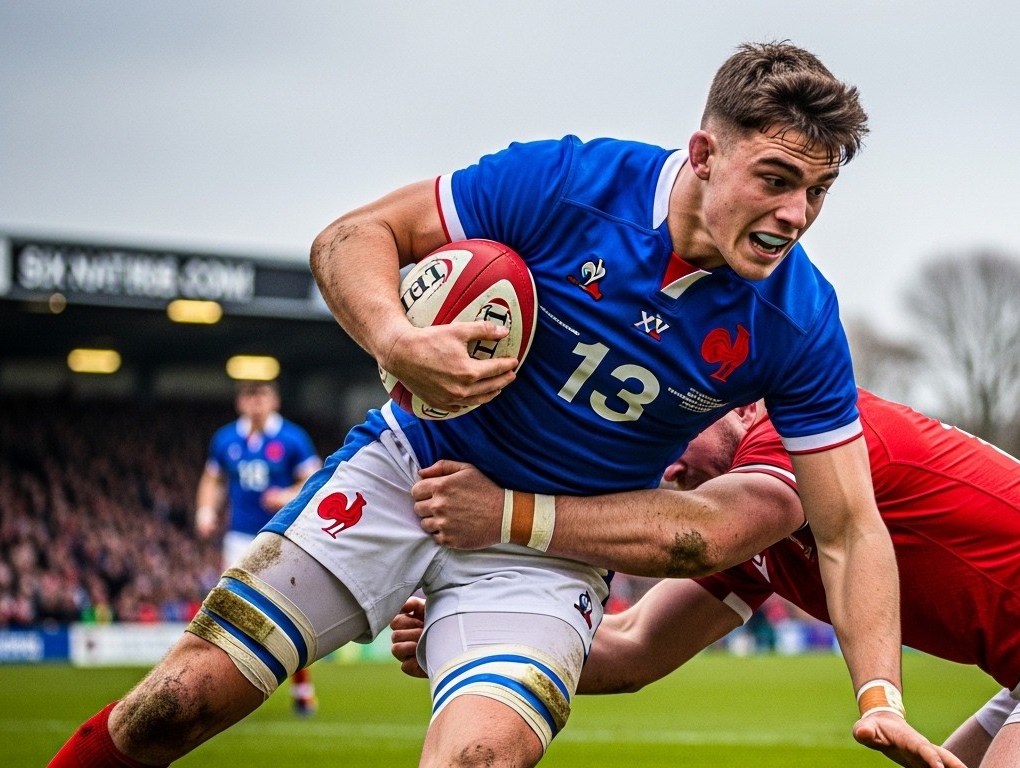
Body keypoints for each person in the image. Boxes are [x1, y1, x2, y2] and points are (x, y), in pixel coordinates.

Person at [50, 41, 936, 768]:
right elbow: (354, 237)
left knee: (479, 763)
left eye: (817, 191)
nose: (797, 214)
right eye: (777, 178)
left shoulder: (797, 317)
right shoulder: (566, 183)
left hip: (548, 554)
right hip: (406, 471)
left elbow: (849, 527)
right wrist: (398, 339)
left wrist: (880, 697)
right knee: (173, 705)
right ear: (704, 155)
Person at [399, 390, 1020, 768]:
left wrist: (507, 514)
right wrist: (479, 649)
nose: (661, 475)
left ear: (726, 404)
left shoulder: (797, 446)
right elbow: (632, 645)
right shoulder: (741, 506)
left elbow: (697, 534)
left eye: (663, 448)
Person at [195, 379, 324, 716]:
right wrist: (206, 510)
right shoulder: (225, 439)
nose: (256, 402)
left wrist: (286, 494)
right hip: (239, 535)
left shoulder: (292, 438)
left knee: (288, 608)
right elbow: (213, 478)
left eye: (262, 395)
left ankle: (302, 688)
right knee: (231, 609)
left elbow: (315, 479)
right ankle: (226, 687)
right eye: (250, 395)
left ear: (274, 400)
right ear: (241, 402)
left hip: (280, 534)